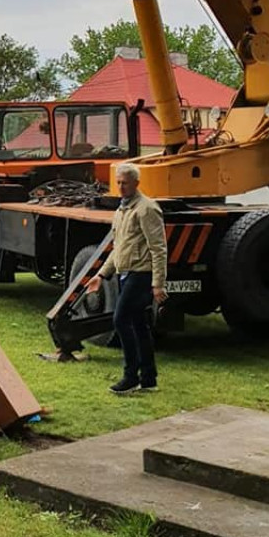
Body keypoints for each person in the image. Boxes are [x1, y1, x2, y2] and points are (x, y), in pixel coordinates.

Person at [86, 162, 168, 395]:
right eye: (118, 183)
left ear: (136, 183)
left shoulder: (147, 209)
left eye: (125, 183)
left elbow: (158, 249)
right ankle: (148, 378)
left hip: (141, 274)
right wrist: (101, 275)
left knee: (121, 320)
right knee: (138, 325)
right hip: (125, 273)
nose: (121, 187)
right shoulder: (121, 210)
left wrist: (158, 284)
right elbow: (118, 248)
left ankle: (130, 376)